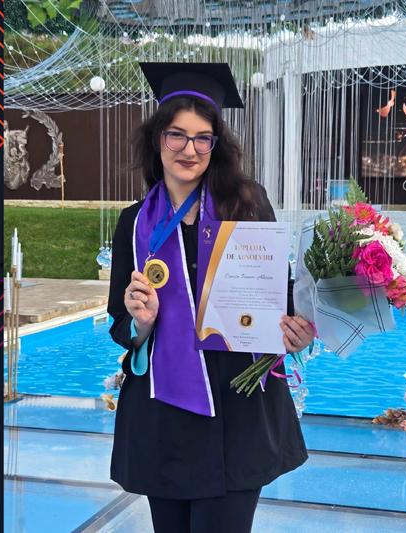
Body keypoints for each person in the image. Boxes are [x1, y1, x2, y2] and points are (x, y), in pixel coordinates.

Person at [106, 62, 314, 533]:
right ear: (157, 139)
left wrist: (297, 331)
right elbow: (120, 323)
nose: (189, 149)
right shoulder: (133, 224)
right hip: (164, 415)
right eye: (177, 135)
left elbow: (279, 297)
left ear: (216, 145)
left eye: (203, 138)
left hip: (238, 409)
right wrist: (141, 322)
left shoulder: (247, 203)